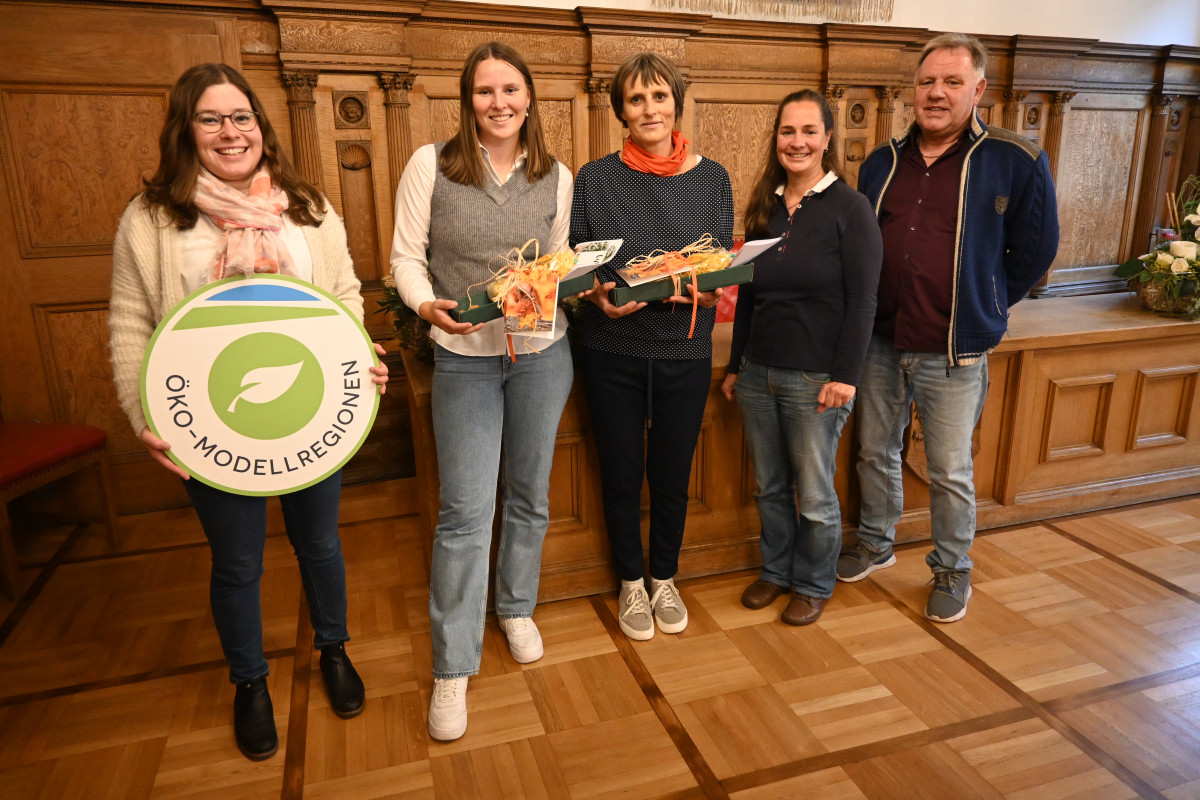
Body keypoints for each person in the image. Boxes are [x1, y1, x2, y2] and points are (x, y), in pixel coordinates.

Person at [109, 63, 388, 760]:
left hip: (309, 414)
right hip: (208, 426)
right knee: (237, 564)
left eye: (241, 117)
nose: (230, 132)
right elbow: (130, 324)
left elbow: (343, 295)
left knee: (320, 544)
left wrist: (360, 358)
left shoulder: (308, 207)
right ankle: (250, 682)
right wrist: (142, 412)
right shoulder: (150, 219)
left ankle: (333, 648)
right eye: (211, 119)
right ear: (186, 130)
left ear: (261, 126)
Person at [389, 41, 574, 742]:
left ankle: (515, 607)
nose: (499, 103)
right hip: (462, 359)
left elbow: (556, 265)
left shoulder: (556, 176)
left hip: (541, 356)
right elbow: (406, 256)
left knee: (528, 496)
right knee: (464, 512)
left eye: (511, 90)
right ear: (467, 100)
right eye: (485, 91)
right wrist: (423, 303)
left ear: (530, 99)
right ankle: (452, 664)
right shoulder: (430, 166)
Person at [842, 33, 1059, 622]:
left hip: (955, 348)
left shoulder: (1015, 159)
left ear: (978, 89)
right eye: (927, 82)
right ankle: (875, 542)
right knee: (874, 451)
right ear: (913, 90)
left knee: (950, 468)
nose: (935, 93)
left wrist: (988, 301)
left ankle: (951, 569)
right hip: (882, 340)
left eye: (951, 82)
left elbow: (1036, 252)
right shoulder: (882, 162)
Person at [571, 52, 734, 641]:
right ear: (621, 110)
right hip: (609, 348)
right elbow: (577, 267)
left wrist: (700, 286)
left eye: (659, 96)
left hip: (683, 351)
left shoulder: (712, 177)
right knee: (620, 474)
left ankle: (664, 576)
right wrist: (597, 298)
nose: (649, 109)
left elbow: (717, 267)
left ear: (676, 102)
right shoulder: (594, 177)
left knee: (671, 475)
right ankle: (630, 583)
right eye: (637, 99)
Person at [721, 90, 882, 626]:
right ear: (777, 139)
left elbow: (864, 302)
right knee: (769, 486)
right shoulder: (765, 205)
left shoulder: (850, 209)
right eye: (788, 132)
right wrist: (735, 365)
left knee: (813, 494)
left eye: (809, 131)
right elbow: (747, 293)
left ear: (828, 139)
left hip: (817, 379)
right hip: (758, 375)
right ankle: (776, 572)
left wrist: (845, 378)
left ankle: (813, 582)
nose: (797, 142)